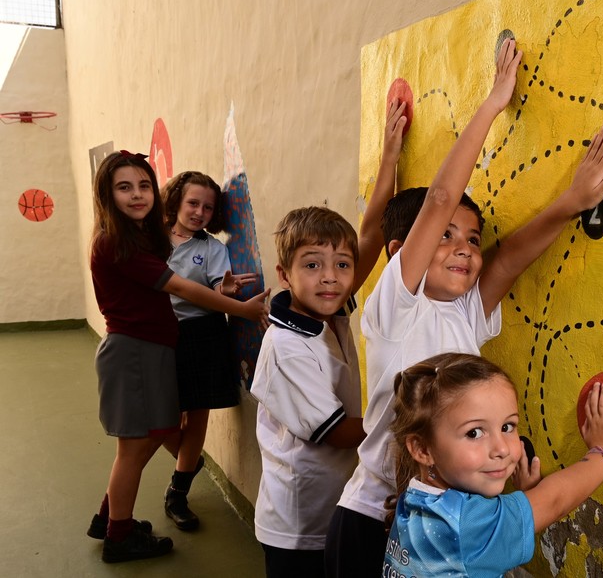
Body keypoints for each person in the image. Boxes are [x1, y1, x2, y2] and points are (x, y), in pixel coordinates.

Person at [326, 37, 603, 576]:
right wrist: (494, 101)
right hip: (372, 520)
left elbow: (508, 259)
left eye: (472, 237)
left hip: (437, 515)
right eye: (446, 237)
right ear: (403, 251)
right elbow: (440, 200)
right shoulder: (395, 309)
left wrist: (571, 203)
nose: (463, 246)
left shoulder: (466, 313)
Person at [86, 151, 269, 563]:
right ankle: (118, 536)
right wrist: (243, 309)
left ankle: (112, 520)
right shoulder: (118, 241)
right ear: (107, 193)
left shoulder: (134, 237)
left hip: (148, 349)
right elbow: (182, 288)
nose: (137, 195)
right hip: (135, 350)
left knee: (147, 438)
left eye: (143, 185)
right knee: (136, 447)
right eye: (124, 187)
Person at [250, 101, 407, 578]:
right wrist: (413, 426)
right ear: (285, 274)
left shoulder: (326, 308)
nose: (332, 278)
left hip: (333, 503)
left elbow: (370, 230)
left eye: (341, 265)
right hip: (298, 524)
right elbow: (337, 431)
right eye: (312, 264)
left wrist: (390, 158)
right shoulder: (286, 348)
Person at [383, 353, 603, 577]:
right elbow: (554, 501)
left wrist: (525, 497)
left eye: (508, 427)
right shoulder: (466, 526)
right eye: (474, 433)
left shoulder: (414, 498)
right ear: (423, 449)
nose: (502, 449)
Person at [159, 171, 259, 531]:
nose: (199, 212)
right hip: (160, 335)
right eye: (192, 203)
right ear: (176, 202)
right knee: (161, 416)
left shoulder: (214, 249)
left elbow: (221, 285)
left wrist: (226, 290)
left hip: (204, 334)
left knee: (196, 414)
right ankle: (189, 459)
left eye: (208, 207)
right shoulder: (153, 240)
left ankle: (178, 491)